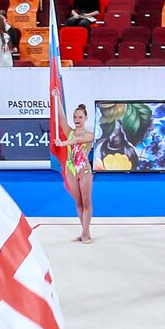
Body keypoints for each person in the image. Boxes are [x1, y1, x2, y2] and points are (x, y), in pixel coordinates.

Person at [54, 104, 95, 242]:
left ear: (86, 118)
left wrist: (62, 144)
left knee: (86, 203)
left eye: (80, 117)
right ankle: (85, 232)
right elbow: (61, 117)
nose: (77, 119)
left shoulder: (90, 135)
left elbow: (77, 140)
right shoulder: (69, 131)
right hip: (70, 171)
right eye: (75, 117)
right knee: (78, 203)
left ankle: (84, 233)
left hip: (84, 171)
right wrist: (57, 99)